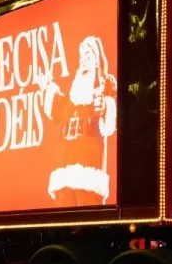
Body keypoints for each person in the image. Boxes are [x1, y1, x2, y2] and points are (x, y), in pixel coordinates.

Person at [36, 35, 118, 207]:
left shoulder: (102, 86)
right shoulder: (73, 91)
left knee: (87, 206)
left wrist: (105, 107)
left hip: (88, 160)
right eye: (81, 56)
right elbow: (57, 112)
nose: (84, 60)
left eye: (88, 55)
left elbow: (109, 124)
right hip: (65, 162)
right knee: (64, 208)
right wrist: (48, 87)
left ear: (96, 60)